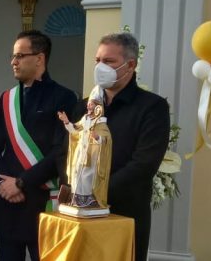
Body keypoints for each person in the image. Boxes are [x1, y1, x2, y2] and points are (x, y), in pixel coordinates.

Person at [0, 30, 77, 261]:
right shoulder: (7, 98)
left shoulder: (64, 97)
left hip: (41, 201)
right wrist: (4, 185)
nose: (13, 62)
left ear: (39, 58)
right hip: (8, 202)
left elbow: (61, 151)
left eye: (19, 56)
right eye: (13, 56)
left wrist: (22, 183)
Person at [84, 32, 170, 261]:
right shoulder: (85, 106)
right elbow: (66, 152)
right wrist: (78, 192)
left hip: (125, 213)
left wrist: (98, 193)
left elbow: (144, 164)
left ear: (130, 65)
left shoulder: (152, 107)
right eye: (97, 60)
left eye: (108, 61)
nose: (100, 66)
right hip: (83, 212)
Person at [57, 89, 112, 214]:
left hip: (92, 157)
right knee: (77, 175)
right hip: (81, 154)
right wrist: (66, 121)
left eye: (91, 104)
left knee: (87, 177)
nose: (88, 106)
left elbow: (106, 139)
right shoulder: (85, 119)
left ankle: (88, 200)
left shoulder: (101, 124)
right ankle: (77, 199)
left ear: (98, 107)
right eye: (88, 104)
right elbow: (75, 131)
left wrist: (97, 137)